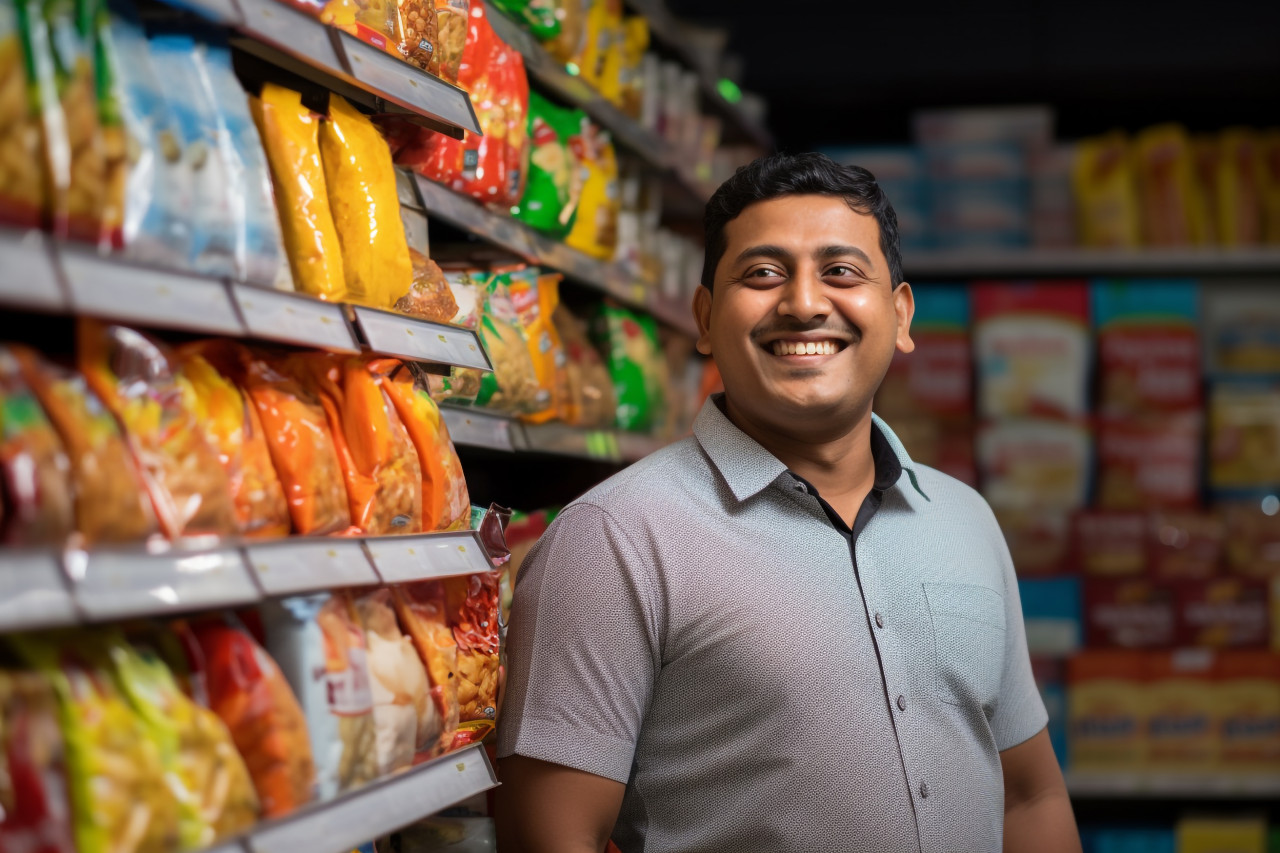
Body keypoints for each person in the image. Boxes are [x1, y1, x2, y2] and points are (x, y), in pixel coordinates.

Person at [495, 152, 1080, 853]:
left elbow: (1029, 793)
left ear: (899, 315)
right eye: (763, 273)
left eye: (841, 271)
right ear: (706, 319)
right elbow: (554, 837)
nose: (804, 302)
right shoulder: (615, 538)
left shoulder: (966, 522)